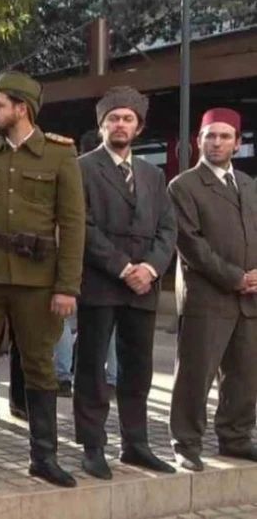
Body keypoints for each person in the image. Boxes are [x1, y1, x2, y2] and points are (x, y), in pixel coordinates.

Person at [0, 71, 85, 489]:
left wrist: (67, 286)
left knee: (41, 369)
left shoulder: (60, 155)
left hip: (38, 281)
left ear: (21, 108)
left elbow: (74, 225)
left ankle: (44, 458)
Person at [73, 86, 178, 479]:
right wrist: (123, 267)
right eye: (113, 118)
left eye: (127, 119)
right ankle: (93, 445)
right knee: (92, 366)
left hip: (143, 287)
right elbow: (79, 226)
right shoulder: (81, 168)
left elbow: (168, 229)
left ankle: (135, 444)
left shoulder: (153, 174)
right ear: (101, 125)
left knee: (138, 368)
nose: (120, 124)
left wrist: (149, 270)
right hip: (101, 282)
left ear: (138, 127)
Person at [168, 108, 257, 472]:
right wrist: (237, 277)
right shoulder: (183, 186)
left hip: (250, 299)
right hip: (207, 297)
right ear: (198, 141)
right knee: (195, 373)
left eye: (224, 136)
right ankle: (186, 443)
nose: (216, 142)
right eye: (210, 136)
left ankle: (236, 438)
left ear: (238, 143)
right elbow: (191, 244)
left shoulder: (250, 185)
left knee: (245, 373)